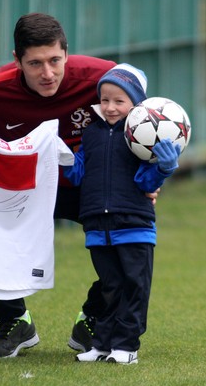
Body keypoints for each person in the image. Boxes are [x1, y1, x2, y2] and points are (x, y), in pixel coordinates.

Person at [0, 13, 119, 357]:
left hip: (88, 186)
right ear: (16, 60)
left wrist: (147, 181)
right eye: (35, 64)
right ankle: (15, 321)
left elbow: (139, 125)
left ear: (67, 52)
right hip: (23, 186)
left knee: (126, 237)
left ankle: (94, 318)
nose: (47, 73)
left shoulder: (102, 78)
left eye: (54, 61)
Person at [62, 64, 180, 364]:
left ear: (136, 104)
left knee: (134, 287)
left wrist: (163, 168)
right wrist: (60, 156)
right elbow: (77, 175)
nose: (110, 107)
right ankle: (101, 345)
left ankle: (126, 347)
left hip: (134, 225)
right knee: (110, 288)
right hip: (97, 227)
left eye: (119, 101)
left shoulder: (142, 138)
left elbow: (145, 183)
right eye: (104, 99)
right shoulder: (91, 134)